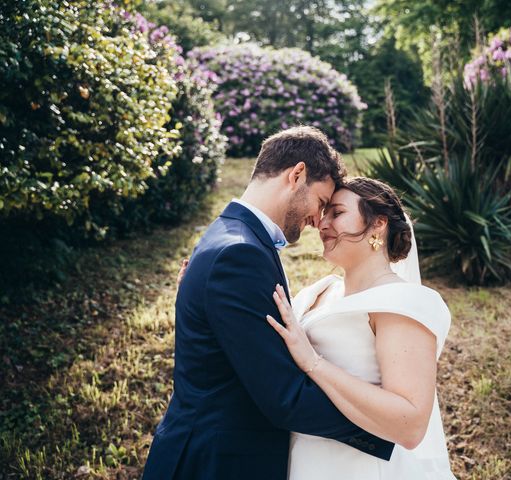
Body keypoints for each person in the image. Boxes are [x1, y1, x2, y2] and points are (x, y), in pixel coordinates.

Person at [142, 126, 394, 480]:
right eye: (321, 203)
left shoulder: (232, 235)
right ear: (297, 174)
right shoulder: (240, 253)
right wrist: (386, 427)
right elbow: (283, 398)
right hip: (214, 463)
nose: (317, 222)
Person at [265, 177, 456, 479]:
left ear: (378, 224)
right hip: (308, 462)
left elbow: (410, 424)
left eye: (337, 213)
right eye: (324, 212)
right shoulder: (319, 292)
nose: (322, 223)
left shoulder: (401, 303)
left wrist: (314, 364)